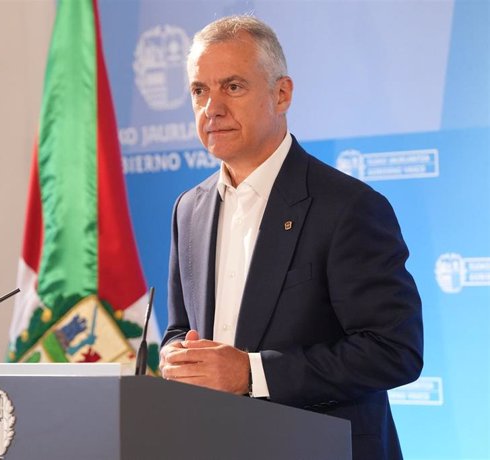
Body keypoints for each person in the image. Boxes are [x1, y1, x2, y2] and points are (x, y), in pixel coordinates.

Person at [159, 15, 423, 460]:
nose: (212, 109)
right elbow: (180, 328)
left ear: (282, 94)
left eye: (233, 87)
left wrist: (251, 373)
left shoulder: (348, 207)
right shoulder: (189, 208)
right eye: (200, 91)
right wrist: (175, 357)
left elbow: (394, 350)